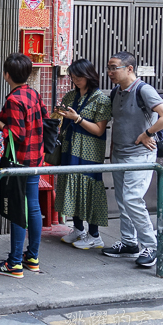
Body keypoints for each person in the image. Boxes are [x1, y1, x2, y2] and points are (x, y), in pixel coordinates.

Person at [102, 51, 163, 267]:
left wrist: (148, 134)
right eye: (109, 67)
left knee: (133, 199)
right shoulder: (116, 92)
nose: (110, 72)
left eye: (114, 67)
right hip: (119, 154)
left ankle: (151, 246)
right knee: (123, 200)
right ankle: (128, 242)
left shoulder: (144, 90)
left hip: (140, 156)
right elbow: (119, 121)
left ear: (129, 69)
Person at [0, 53, 49, 278]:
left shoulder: (14, 99)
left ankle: (15, 263)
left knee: (19, 208)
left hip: (20, 160)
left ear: (7, 74)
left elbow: (15, 133)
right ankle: (32, 257)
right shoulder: (33, 93)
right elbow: (44, 115)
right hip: (36, 157)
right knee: (33, 206)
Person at [55, 59, 112, 250]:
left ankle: (94, 234)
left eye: (78, 77)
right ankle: (78, 229)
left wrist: (77, 118)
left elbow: (98, 130)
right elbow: (62, 122)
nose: (75, 80)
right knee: (72, 183)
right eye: (72, 77)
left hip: (90, 150)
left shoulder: (101, 99)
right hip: (69, 147)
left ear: (89, 76)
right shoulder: (70, 95)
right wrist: (60, 114)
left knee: (89, 187)